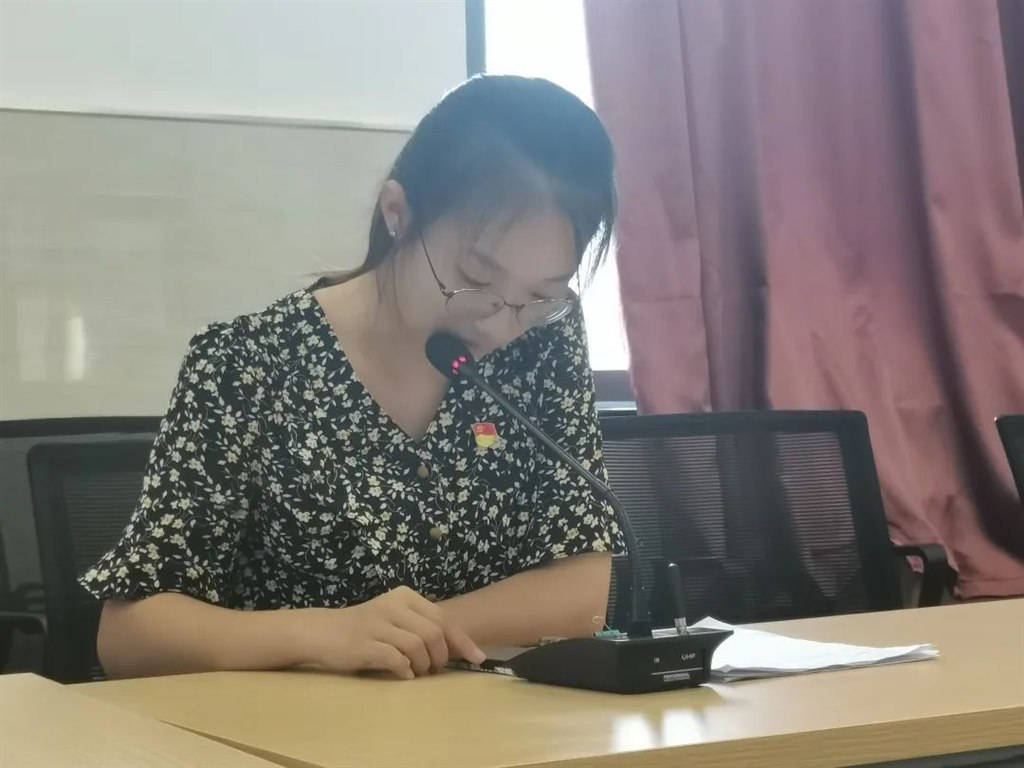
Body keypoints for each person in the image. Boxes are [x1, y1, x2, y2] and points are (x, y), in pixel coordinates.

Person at [82, 75, 622, 681]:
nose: (500, 324)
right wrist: (323, 632)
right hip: (294, 721)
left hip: (489, 719)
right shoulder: (248, 364)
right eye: (474, 278)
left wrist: (407, 636)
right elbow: (129, 636)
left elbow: (581, 592)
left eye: (541, 295)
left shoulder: (542, 341)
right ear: (398, 214)